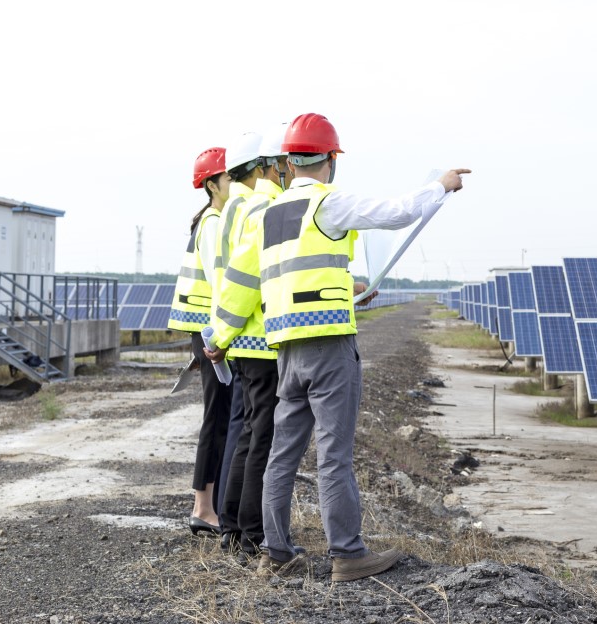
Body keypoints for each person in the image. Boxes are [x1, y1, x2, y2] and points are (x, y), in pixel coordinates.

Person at [209, 113, 469, 580]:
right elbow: (396, 213)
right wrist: (442, 186)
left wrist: (219, 337)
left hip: (285, 349)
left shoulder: (266, 215)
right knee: (333, 454)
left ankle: (275, 552)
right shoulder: (326, 204)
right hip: (329, 348)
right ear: (331, 159)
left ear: (287, 161)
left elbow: (253, 281)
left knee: (282, 453)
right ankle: (347, 554)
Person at [208, 124, 290, 562]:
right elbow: (247, 279)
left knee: (246, 434)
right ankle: (253, 534)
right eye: (282, 165)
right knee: (261, 439)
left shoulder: (232, 210)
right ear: (266, 168)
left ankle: (234, 527)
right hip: (258, 337)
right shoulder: (260, 209)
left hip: (239, 335)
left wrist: (222, 333)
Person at [167, 147, 232, 535]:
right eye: (230, 179)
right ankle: (203, 507)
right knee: (217, 415)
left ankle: (208, 505)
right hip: (209, 333)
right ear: (212, 185)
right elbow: (222, 282)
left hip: (207, 330)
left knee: (221, 414)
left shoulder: (211, 220)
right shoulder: (211, 224)